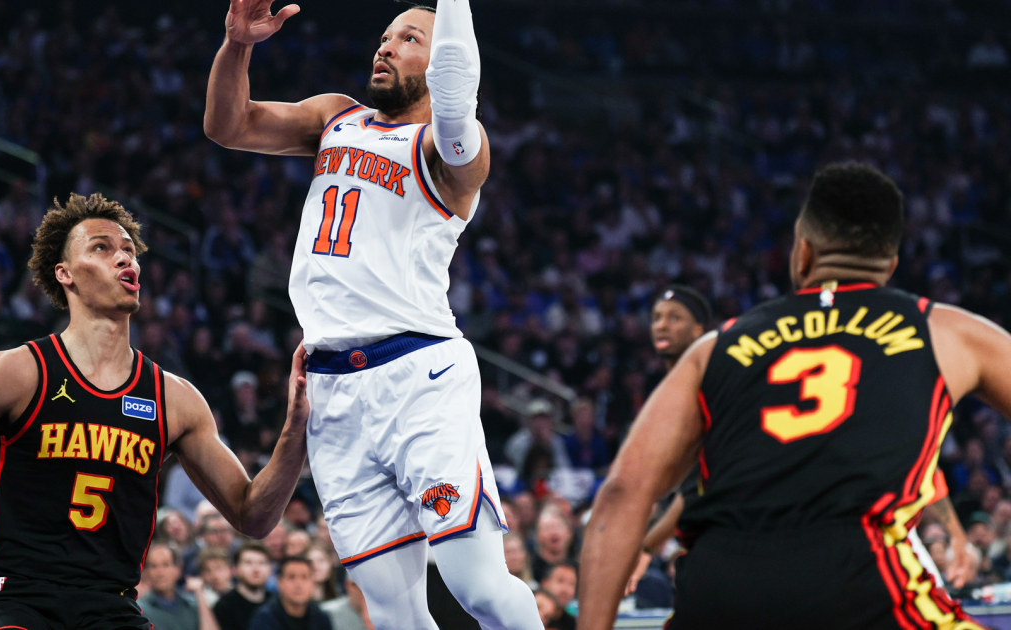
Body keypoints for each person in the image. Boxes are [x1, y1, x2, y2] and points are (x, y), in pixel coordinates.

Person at [205, 2, 540, 626]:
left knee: (479, 587)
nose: (385, 47)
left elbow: (456, 100)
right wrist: (237, 45)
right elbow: (229, 125)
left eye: (409, 38)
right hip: (332, 389)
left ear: (443, 60)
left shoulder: (449, 152)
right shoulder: (335, 116)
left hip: (418, 376)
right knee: (391, 613)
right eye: (385, 36)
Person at [578, 162, 1009, 629]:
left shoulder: (713, 348)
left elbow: (622, 493)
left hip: (719, 595)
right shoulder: (944, 330)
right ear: (890, 266)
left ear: (802, 252)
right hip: (860, 585)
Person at [0, 193, 312, 628]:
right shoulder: (17, 372)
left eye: (128, 250)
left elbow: (253, 515)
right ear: (65, 273)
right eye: (102, 248)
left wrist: (294, 430)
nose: (125, 258)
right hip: (12, 596)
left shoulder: (175, 398)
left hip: (110, 605)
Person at [625, 285, 710, 596]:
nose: (662, 325)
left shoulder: (707, 384)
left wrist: (646, 547)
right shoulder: (667, 388)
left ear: (698, 330)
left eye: (675, 318)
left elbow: (697, 487)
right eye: (657, 317)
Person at [137, 542, 215, 630]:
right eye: (153, 566)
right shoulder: (139, 610)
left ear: (178, 569)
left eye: (166, 565)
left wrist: (199, 594)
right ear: (146, 572)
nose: (160, 573)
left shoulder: (192, 605)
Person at [247, 556, 330, 630]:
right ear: (280, 583)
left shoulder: (321, 618)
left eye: (304, 577)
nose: (298, 584)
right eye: (291, 577)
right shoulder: (264, 618)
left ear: (313, 583)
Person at [213, 541, 271, 630]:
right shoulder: (224, 606)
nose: (256, 569)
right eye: (248, 563)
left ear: (270, 569)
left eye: (262, 563)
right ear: (235, 569)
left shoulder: (277, 603)